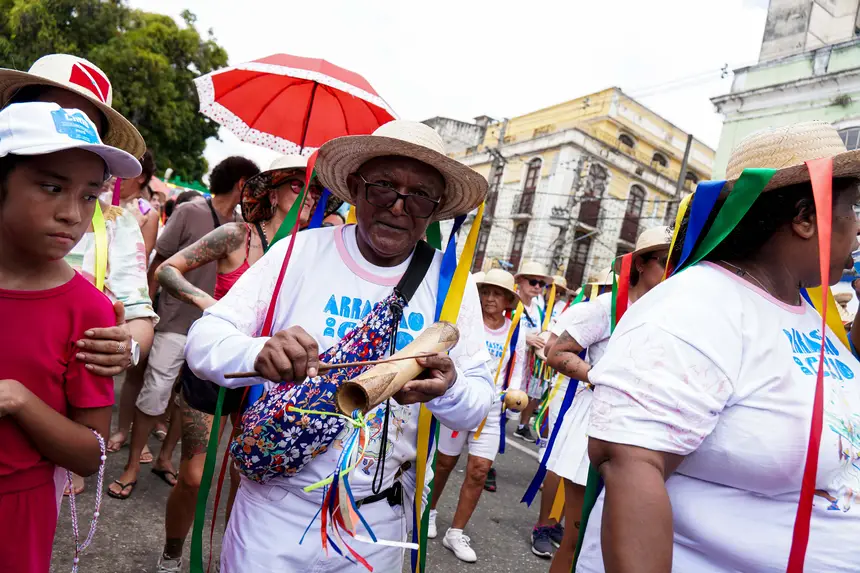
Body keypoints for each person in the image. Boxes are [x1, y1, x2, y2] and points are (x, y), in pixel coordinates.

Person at [184, 120, 495, 571]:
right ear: (354, 188)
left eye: (420, 195)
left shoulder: (451, 286)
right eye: (383, 187)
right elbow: (204, 339)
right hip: (275, 513)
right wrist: (257, 352)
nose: (399, 207)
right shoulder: (300, 253)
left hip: (379, 524)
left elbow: (478, 404)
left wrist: (447, 388)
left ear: (436, 208)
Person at [576, 121, 860, 572]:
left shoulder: (809, 313)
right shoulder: (698, 305)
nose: (859, 228)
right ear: (807, 217)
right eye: (853, 208)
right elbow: (631, 462)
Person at [151, 154, 341, 572]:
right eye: (297, 186)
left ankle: (238, 557)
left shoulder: (316, 253)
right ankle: (171, 553)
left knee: (250, 477)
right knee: (196, 478)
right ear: (271, 193)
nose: (308, 196)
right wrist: (213, 306)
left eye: (314, 190)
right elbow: (169, 269)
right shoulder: (239, 235)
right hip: (220, 370)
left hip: (273, 381)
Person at [0, 53, 158, 493]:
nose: (62, 132)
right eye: (48, 114)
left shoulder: (118, 224)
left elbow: (139, 315)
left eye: (80, 123)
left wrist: (123, 347)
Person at [0, 101, 141, 572]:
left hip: (17, 512)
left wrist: (19, 400)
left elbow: (90, 453)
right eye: (52, 187)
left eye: (88, 195)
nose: (72, 214)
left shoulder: (88, 311)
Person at [108, 156, 260, 499]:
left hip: (212, 335)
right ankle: (132, 466)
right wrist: (145, 309)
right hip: (177, 318)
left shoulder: (241, 227)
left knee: (184, 401)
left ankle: (164, 459)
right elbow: (161, 260)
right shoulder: (192, 212)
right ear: (241, 184)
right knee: (156, 390)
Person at [545, 228, 670, 572]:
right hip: (595, 426)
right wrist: (599, 376)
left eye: (677, 262)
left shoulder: (671, 313)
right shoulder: (605, 308)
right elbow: (555, 353)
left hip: (643, 435)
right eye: (663, 261)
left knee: (614, 547)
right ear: (641, 264)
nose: (670, 270)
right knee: (578, 537)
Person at [428, 268, 526, 562]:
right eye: (485, 292)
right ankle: (429, 512)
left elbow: (518, 366)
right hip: (463, 399)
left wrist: (515, 391)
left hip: (493, 408)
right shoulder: (468, 323)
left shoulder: (516, 329)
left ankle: (456, 533)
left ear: (509, 300)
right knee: (444, 462)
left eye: (497, 294)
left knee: (480, 470)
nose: (490, 298)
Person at [512, 261, 553, 444]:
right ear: (520, 281)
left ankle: (523, 426)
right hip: (512, 359)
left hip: (530, 362)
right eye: (533, 282)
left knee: (530, 396)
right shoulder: (511, 301)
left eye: (541, 284)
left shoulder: (538, 309)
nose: (537, 287)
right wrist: (524, 338)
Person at [117, 149, 159, 261]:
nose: (116, 176)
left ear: (141, 177)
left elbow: (140, 263)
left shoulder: (147, 213)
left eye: (125, 172)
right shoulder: (100, 199)